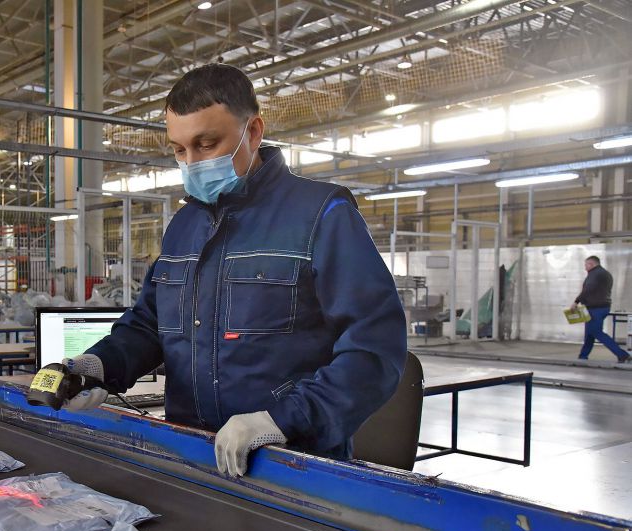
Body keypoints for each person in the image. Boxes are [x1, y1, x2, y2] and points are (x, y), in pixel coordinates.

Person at [62, 64, 407, 477]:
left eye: (206, 144)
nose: (192, 163)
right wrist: (99, 365)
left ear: (254, 131)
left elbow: (375, 348)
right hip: (194, 454)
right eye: (179, 150)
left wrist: (285, 420)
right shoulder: (184, 226)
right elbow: (151, 324)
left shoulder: (322, 215)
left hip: (291, 464)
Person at [573, 255, 629, 363]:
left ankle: (622, 354)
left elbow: (588, 289)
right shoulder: (605, 273)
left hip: (595, 308)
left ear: (591, 264)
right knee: (589, 333)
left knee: (596, 332)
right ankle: (583, 356)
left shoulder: (595, 274)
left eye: (586, 265)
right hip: (602, 307)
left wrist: (576, 301)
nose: (585, 267)